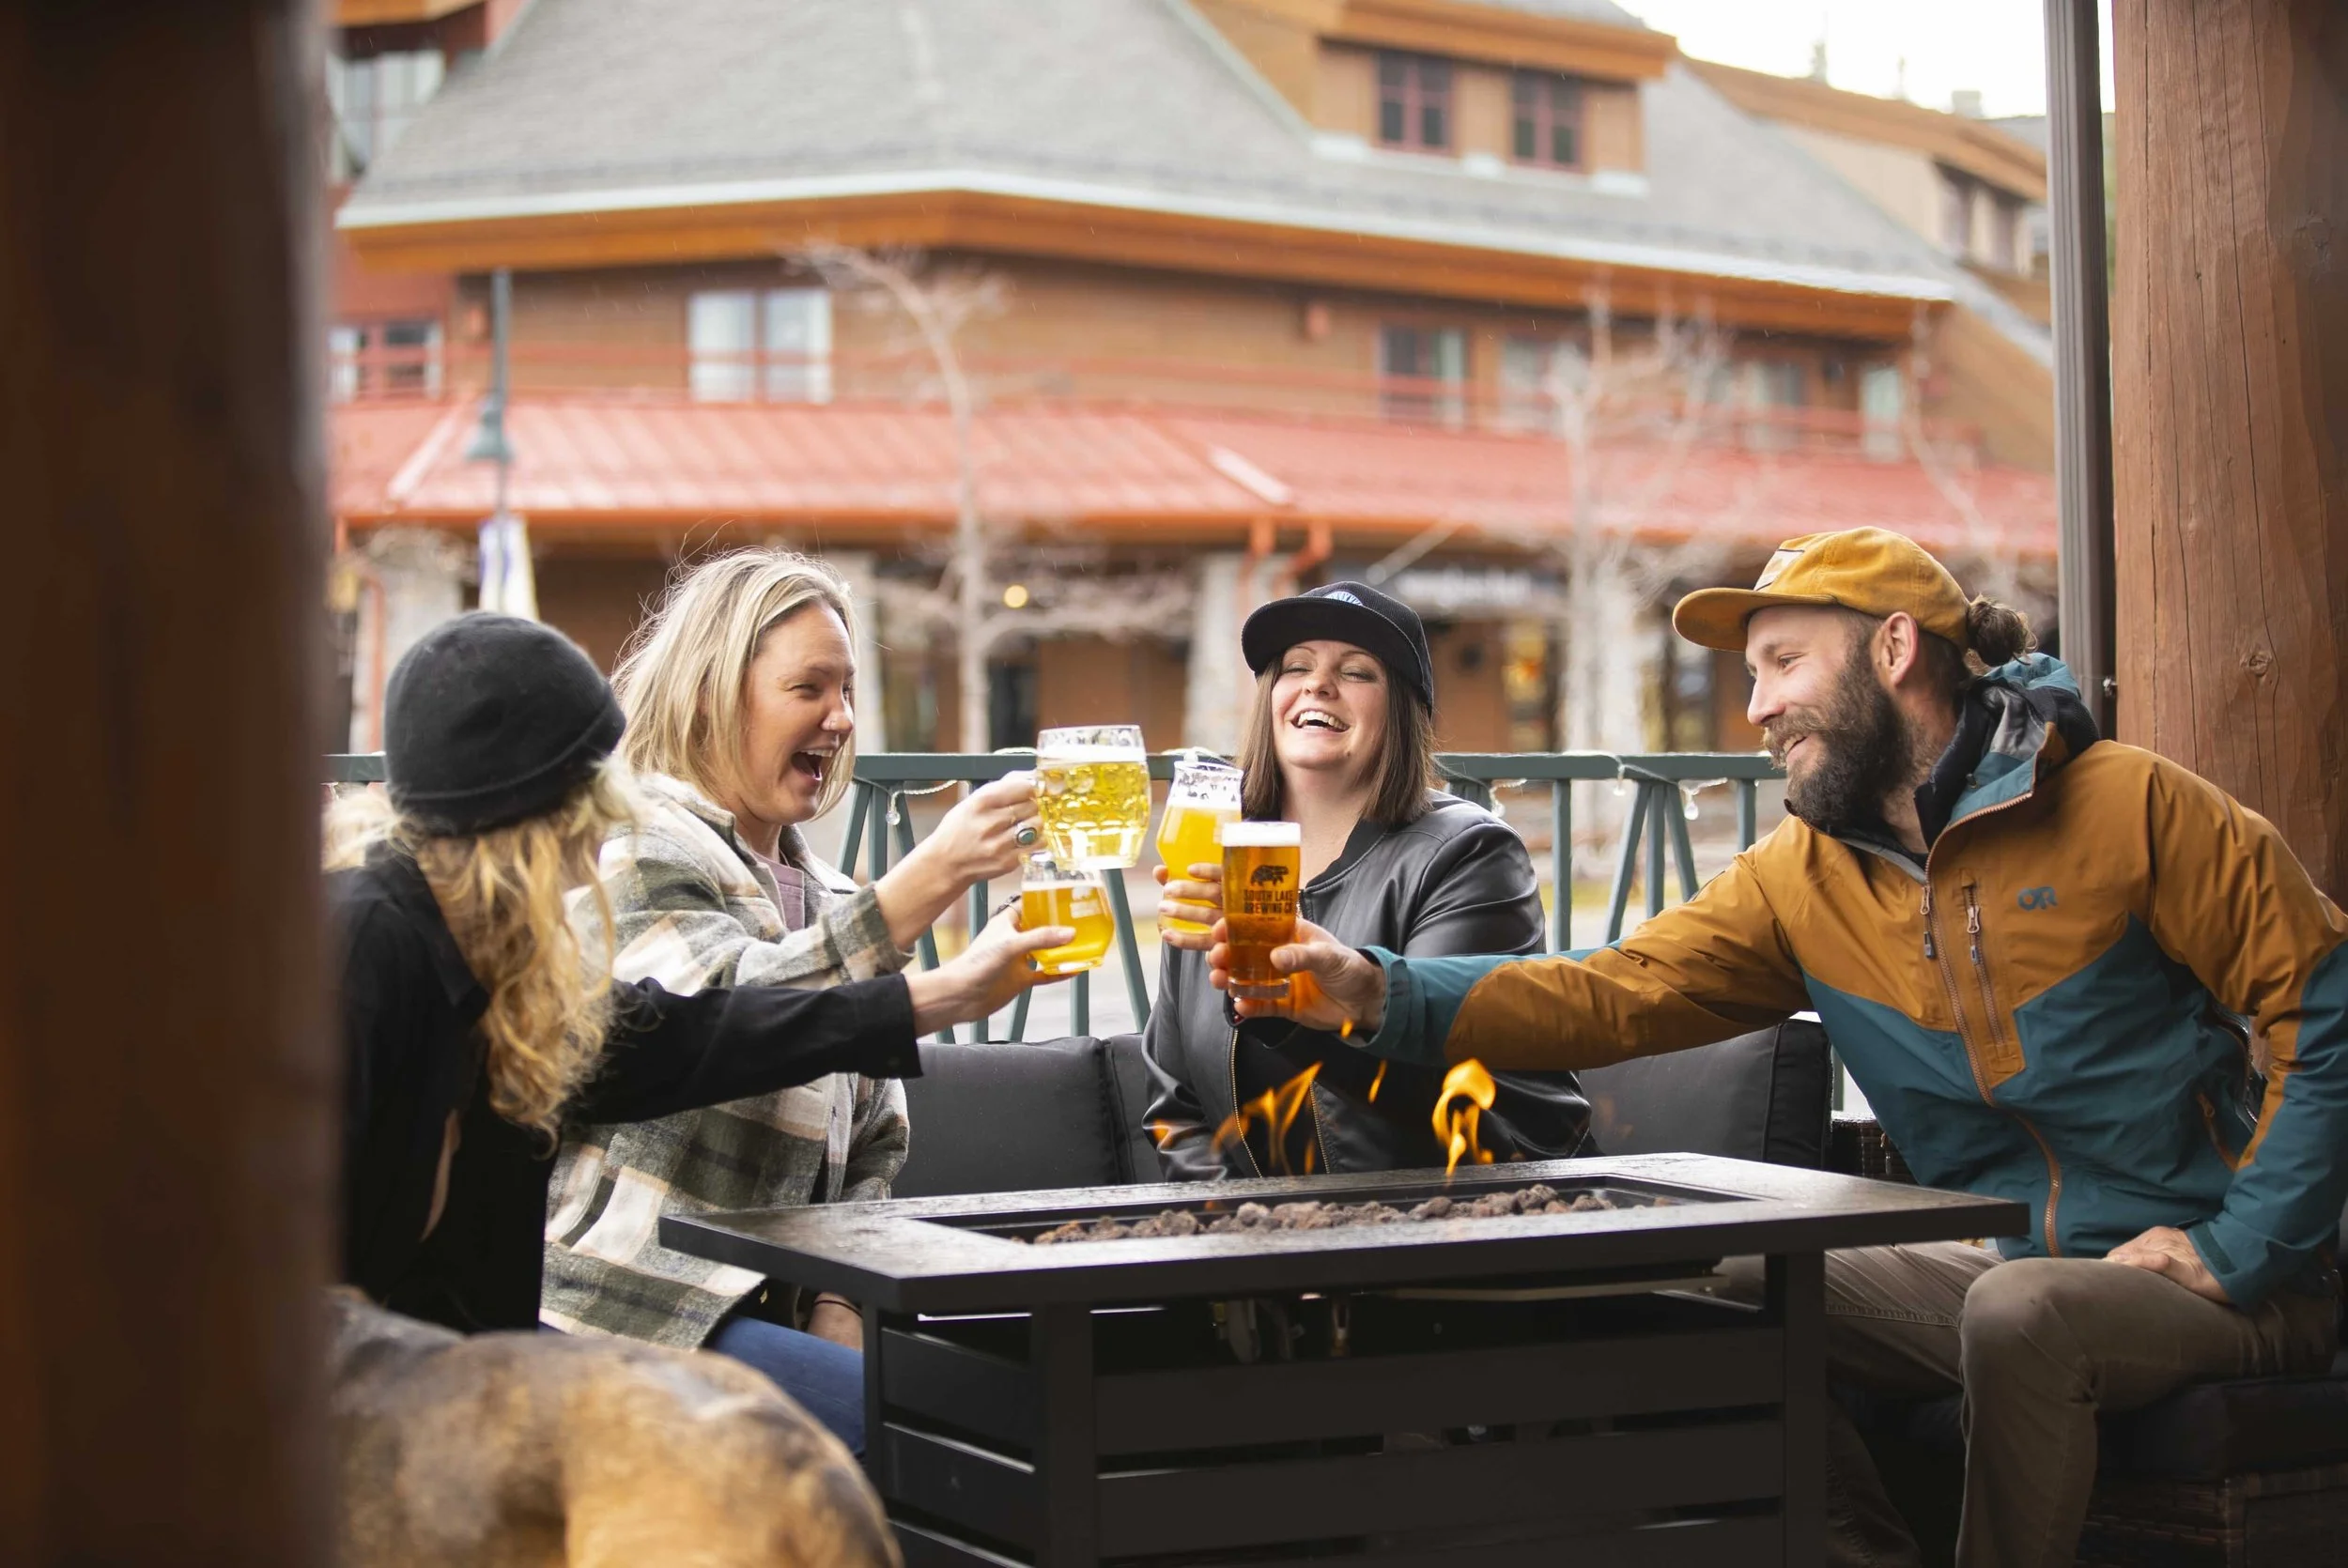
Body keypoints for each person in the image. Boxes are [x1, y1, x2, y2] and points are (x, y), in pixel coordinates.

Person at [1214, 529, 2348, 1568]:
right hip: (2001, 1259)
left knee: (2025, 1315)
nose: (1753, 707)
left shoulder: (2130, 806)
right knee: (1723, 1278)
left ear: (1895, 648)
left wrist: (2241, 1242)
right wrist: (1372, 987)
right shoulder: (1799, 875)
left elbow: (2326, 1004)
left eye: (1782, 665)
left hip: (2224, 1272)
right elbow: (1613, 990)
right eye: (1751, 676)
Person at [331, 613, 1065, 1447]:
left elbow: (688, 1038)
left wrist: (942, 996)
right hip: (443, 1401)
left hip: (467, 1393)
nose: (597, 846)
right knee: (930, 1436)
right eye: (584, 812)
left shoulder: (497, 968)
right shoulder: (368, 953)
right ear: (520, 821)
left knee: (995, 1417)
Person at [539, 549, 1039, 1443]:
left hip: (774, 1313)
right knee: (940, 1441)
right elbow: (721, 1024)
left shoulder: (836, 897)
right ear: (709, 692)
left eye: (848, 692)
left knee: (1022, 1412)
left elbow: (878, 1142)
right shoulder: (639, 844)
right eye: (808, 688)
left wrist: (844, 1305)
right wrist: (926, 885)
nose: (841, 719)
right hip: (635, 1306)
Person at [1143, 580, 1589, 1178]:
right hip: (1261, 1249)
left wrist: (1298, 1019)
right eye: (1295, 666)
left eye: (1357, 672)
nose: (1317, 684)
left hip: (1464, 1224)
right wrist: (1232, 1227)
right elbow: (1175, 1111)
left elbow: (1456, 1108)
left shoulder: (1466, 855)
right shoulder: (1217, 857)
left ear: (1402, 710)